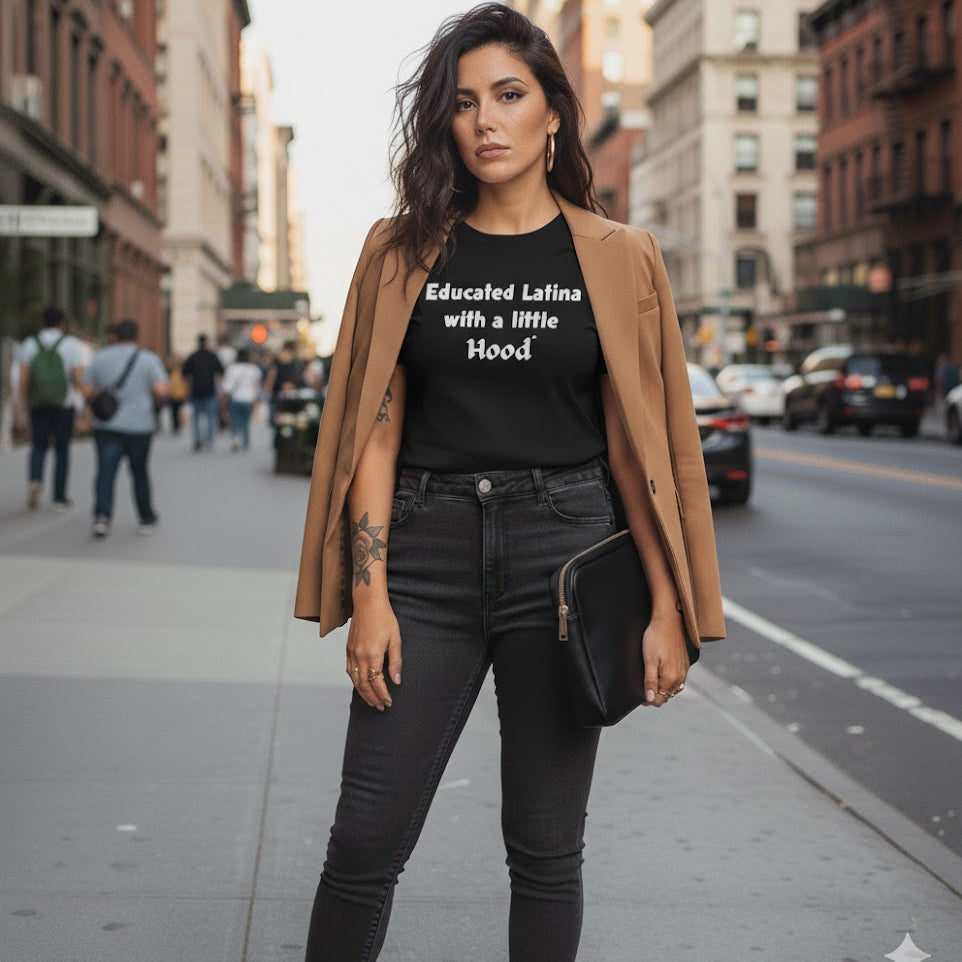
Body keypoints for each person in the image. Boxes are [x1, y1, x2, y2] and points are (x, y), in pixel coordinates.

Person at [294, 5, 725, 960]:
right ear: (443, 125)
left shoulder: (619, 256)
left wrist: (667, 604)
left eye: (509, 96)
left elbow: (636, 450)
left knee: (544, 849)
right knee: (363, 839)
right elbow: (374, 428)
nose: (486, 121)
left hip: (565, 559)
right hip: (425, 554)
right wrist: (369, 596)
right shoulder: (399, 250)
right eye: (462, 104)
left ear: (554, 116)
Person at [82, 319, 168, 538]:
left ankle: (102, 517)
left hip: (107, 425)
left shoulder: (100, 357)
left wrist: (103, 399)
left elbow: (86, 389)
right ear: (136, 336)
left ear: (115, 335)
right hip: (139, 426)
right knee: (139, 472)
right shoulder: (148, 359)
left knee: (105, 472)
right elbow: (160, 391)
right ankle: (145, 517)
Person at [16, 305, 86, 510]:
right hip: (64, 403)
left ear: (42, 323)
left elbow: (23, 379)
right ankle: (59, 496)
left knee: (38, 445)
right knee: (62, 450)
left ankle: (35, 480)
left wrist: (23, 402)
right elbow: (78, 377)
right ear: (62, 323)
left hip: (38, 403)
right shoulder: (71, 344)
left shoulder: (29, 344)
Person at [182, 333, 224, 451]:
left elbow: (185, 374)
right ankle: (209, 440)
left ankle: (197, 440)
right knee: (211, 417)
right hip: (210, 390)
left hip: (196, 391)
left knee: (196, 418)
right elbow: (220, 373)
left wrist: (187, 388)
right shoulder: (212, 356)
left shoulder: (193, 356)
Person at [221, 347, 262, 451]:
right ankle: (246, 441)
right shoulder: (254, 369)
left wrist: (224, 396)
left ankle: (235, 438)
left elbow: (227, 385)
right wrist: (256, 398)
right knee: (245, 421)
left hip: (235, 398)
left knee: (235, 420)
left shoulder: (232, 369)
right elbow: (257, 385)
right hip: (248, 399)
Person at [264, 340, 305, 423]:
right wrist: (269, 388)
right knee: (278, 420)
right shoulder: (278, 363)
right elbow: (271, 376)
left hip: (287, 395)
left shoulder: (294, 363)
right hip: (278, 394)